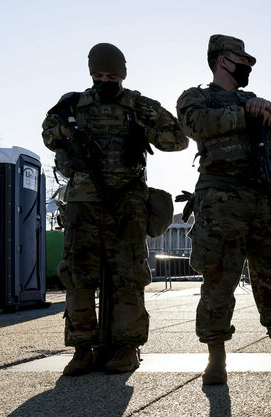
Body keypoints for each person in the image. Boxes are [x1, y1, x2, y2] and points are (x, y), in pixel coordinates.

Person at [177, 34, 271, 385]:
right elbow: (193, 125)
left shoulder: (257, 101)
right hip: (220, 200)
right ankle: (216, 356)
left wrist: (270, 109)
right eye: (242, 60)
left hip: (262, 199)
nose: (248, 66)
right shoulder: (197, 98)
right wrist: (242, 112)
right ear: (222, 60)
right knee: (218, 279)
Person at [41, 43, 188, 375]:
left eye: (110, 75)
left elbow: (178, 139)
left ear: (122, 73)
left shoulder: (138, 104)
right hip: (83, 201)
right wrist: (65, 131)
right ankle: (81, 349)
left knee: (129, 275)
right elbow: (48, 132)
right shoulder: (73, 103)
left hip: (127, 200)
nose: (103, 80)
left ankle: (127, 347)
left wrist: (144, 129)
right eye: (97, 75)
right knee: (78, 277)